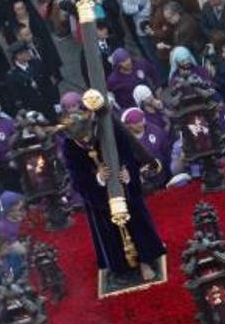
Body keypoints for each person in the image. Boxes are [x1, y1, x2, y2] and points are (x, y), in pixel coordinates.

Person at [62, 97, 167, 284]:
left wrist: (128, 171)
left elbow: (127, 151)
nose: (86, 141)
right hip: (99, 195)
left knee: (137, 221)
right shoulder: (69, 147)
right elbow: (78, 179)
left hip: (123, 184)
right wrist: (99, 178)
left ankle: (145, 260)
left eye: (87, 135)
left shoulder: (107, 127)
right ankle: (121, 268)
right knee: (109, 232)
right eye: (81, 139)